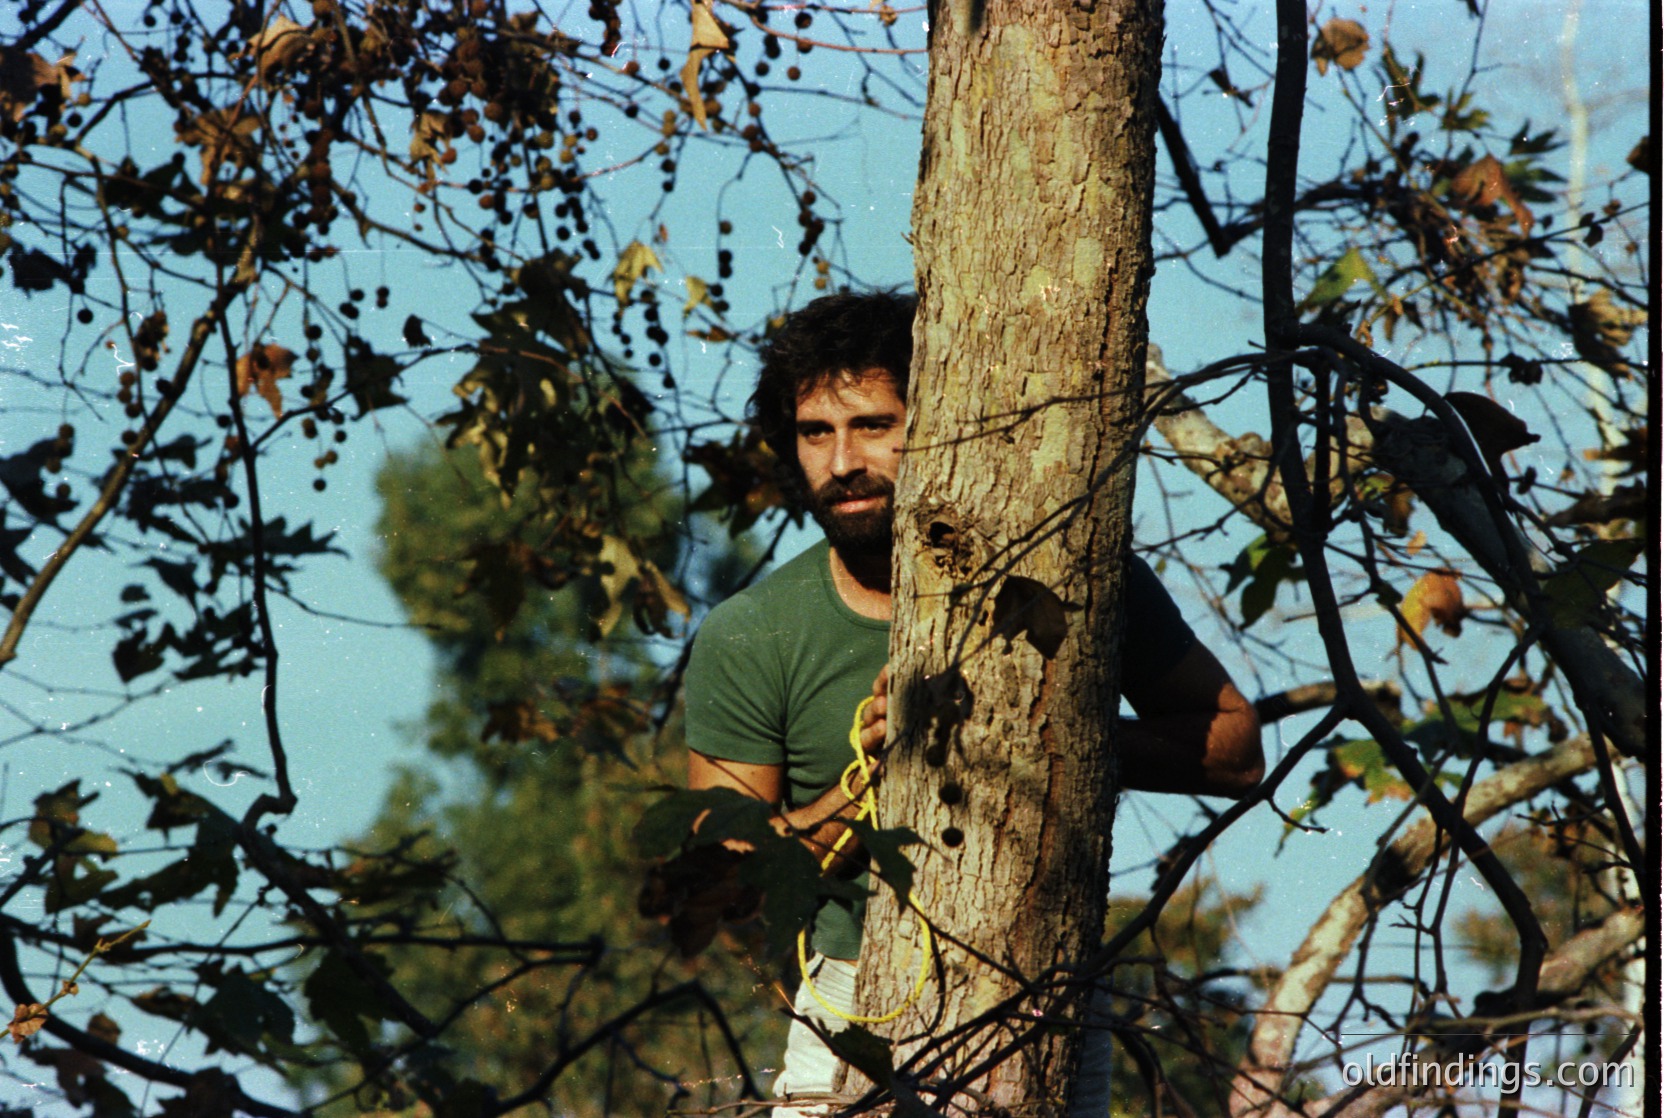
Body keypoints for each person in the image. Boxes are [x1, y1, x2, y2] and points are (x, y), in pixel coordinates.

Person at [683, 291, 1263, 1114]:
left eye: (875, 424)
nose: (843, 459)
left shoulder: (1074, 572)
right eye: (817, 432)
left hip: (1049, 991)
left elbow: (1238, 750)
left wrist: (1049, 726)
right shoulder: (752, 633)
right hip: (850, 1000)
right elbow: (725, 885)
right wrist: (872, 779)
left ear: (937, 415)